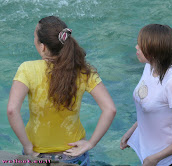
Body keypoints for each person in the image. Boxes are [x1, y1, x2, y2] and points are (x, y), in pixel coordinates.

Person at [7, 16, 116, 166]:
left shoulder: (27, 69)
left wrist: (27, 147)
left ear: (43, 46)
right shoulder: (83, 70)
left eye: (34, 37)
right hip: (74, 155)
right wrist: (90, 143)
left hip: (38, 155)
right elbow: (110, 109)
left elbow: (12, 110)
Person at [120, 24, 172, 166]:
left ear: (153, 50)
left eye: (140, 45)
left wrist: (156, 157)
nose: (136, 47)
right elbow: (154, 109)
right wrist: (132, 131)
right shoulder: (150, 66)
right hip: (151, 155)